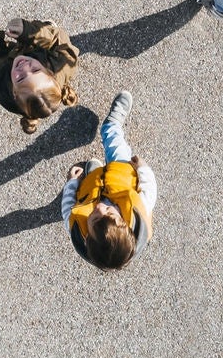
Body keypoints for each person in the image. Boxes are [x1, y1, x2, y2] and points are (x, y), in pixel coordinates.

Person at [61, 91, 154, 269]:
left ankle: (94, 173)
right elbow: (150, 188)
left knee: (91, 178)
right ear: (124, 222)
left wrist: (72, 183)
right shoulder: (139, 210)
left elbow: (67, 207)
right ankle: (111, 124)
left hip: (92, 189)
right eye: (110, 213)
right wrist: (142, 168)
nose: (100, 208)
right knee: (114, 142)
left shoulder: (76, 227)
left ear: (87, 237)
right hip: (122, 173)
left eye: (95, 218)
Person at [0, 18, 80, 135]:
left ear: (14, 93)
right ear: (49, 73)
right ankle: (41, 32)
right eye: (35, 70)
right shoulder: (62, 66)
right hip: (33, 49)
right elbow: (62, 42)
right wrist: (29, 32)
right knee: (46, 35)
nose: (24, 66)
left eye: (20, 78)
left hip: (3, 62)